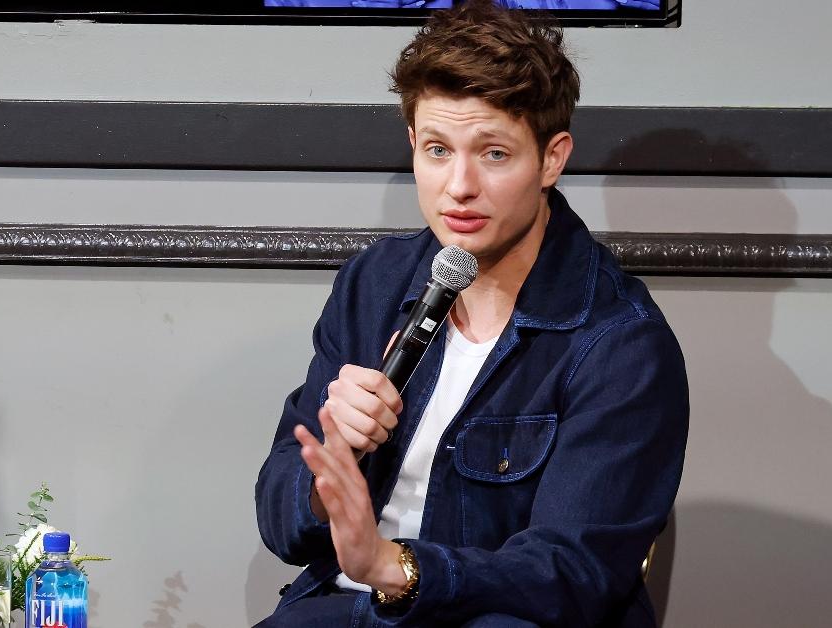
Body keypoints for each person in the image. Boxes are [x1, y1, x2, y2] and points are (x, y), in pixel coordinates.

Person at [254, 1, 688, 625]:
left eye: (493, 154)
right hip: (352, 608)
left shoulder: (621, 342)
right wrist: (328, 470)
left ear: (552, 158)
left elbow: (572, 573)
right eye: (437, 149)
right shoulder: (374, 285)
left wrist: (394, 566)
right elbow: (278, 516)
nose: (458, 185)